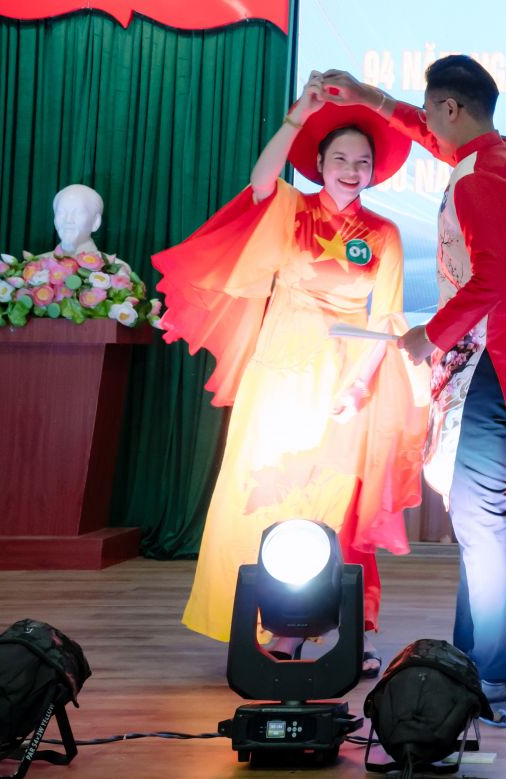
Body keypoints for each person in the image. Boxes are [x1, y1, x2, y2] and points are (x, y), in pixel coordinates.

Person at [151, 73, 429, 671]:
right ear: (320, 163)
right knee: (266, 497)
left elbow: (385, 319)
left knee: (336, 504)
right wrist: (296, 117)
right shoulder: (291, 210)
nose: (351, 170)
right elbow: (259, 183)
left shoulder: (384, 234)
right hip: (278, 379)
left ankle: (355, 625)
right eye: (340, 159)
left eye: (362, 162)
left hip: (343, 385)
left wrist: (357, 385)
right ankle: (279, 624)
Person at [321, 57, 506, 719]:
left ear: (451, 108)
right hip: (505, 354)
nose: (425, 125)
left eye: (430, 112)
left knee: (479, 520)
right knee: (477, 519)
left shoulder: (477, 178)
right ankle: (472, 665)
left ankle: (491, 678)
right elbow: (432, 136)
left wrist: (431, 335)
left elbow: (492, 279)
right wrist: (371, 97)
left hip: (487, 358)